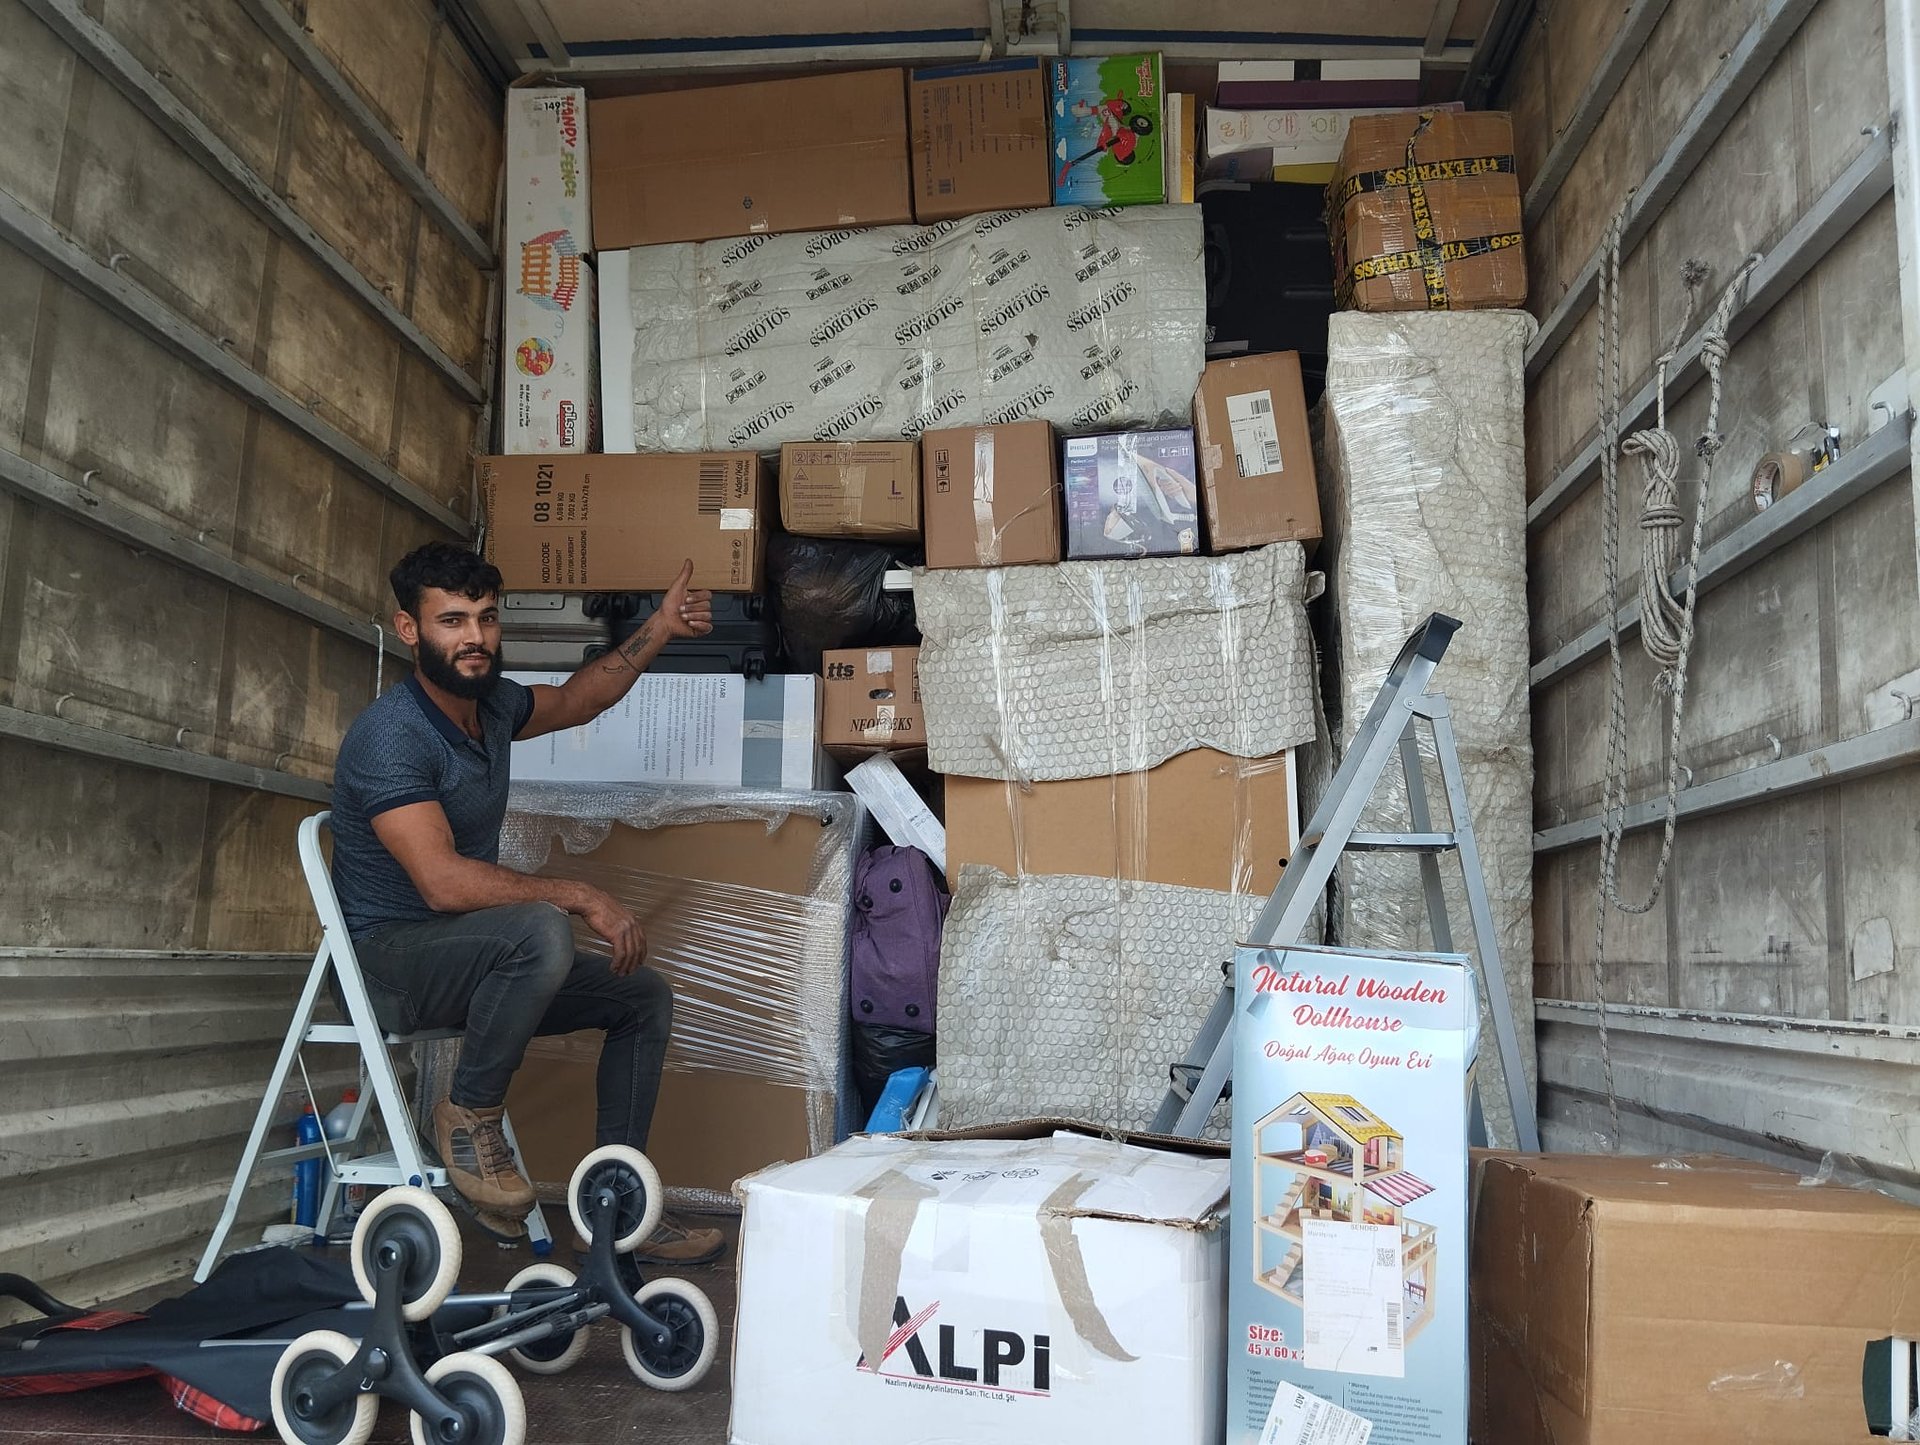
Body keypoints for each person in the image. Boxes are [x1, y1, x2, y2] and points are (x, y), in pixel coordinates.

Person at [327, 541, 724, 1263]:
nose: (474, 637)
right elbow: (442, 883)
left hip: (468, 952)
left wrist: (661, 625)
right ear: (409, 630)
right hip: (386, 965)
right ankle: (469, 1113)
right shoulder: (392, 737)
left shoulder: (493, 706)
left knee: (641, 996)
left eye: (485, 617)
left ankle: (618, 1205)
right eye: (451, 620)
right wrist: (577, 893)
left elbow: (580, 697)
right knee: (542, 928)